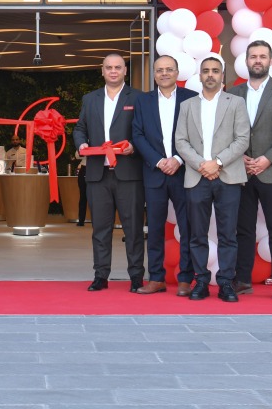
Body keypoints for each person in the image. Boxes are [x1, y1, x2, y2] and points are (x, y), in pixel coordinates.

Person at [174, 54, 250, 302]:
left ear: (222, 75)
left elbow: (242, 139)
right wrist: (201, 165)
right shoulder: (188, 106)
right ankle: (202, 281)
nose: (210, 75)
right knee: (197, 234)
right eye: (205, 70)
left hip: (227, 176)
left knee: (228, 234)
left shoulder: (236, 103)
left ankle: (226, 282)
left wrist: (216, 163)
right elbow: (181, 141)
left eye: (215, 71)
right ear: (200, 75)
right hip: (197, 177)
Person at [227, 40, 272, 300]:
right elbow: (228, 130)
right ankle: (242, 279)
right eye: (253, 56)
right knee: (243, 229)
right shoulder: (234, 93)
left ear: (270, 61)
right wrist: (241, 157)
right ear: (246, 61)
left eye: (262, 56)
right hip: (241, 170)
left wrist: (268, 158)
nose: (258, 60)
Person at [74, 53, 144, 292]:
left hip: (128, 173)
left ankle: (136, 276)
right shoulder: (90, 99)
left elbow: (144, 130)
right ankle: (100, 275)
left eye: (118, 67)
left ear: (125, 70)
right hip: (97, 174)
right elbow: (80, 128)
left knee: (133, 229)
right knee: (100, 230)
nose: (113, 71)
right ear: (102, 71)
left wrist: (134, 147)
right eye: (108, 68)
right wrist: (81, 143)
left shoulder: (138, 98)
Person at [131, 54, 197, 296]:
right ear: (154, 74)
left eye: (169, 69)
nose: (165, 73)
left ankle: (185, 280)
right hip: (155, 174)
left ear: (177, 72)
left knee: (187, 227)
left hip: (184, 172)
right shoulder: (143, 101)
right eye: (160, 70)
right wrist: (159, 161)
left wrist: (178, 159)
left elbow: (196, 134)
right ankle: (156, 278)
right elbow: (137, 135)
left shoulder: (191, 99)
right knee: (155, 228)